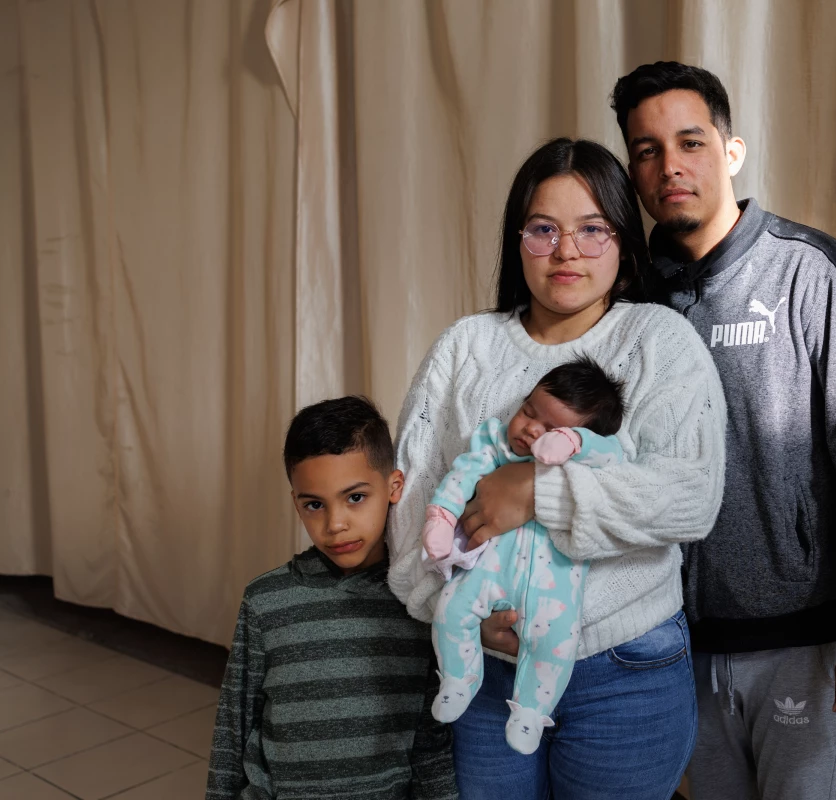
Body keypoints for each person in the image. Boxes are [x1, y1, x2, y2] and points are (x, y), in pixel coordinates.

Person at [386, 137, 726, 800]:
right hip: (487, 668)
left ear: (624, 243)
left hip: (623, 669)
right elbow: (411, 510)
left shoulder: (658, 341)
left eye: (592, 230)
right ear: (518, 241)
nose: (566, 251)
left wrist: (539, 491)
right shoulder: (466, 349)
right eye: (544, 229)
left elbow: (691, 498)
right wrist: (452, 611)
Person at [610, 62, 836, 800]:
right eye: (647, 150)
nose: (670, 166)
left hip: (800, 643)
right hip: (667, 646)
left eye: (690, 142)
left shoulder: (810, 272)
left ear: (732, 151)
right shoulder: (626, 298)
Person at [205, 396, 456, 800]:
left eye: (355, 497)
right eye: (314, 505)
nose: (335, 525)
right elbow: (233, 729)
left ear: (393, 487)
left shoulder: (419, 602)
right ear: (296, 503)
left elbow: (432, 741)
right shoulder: (266, 602)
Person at [423, 358, 626, 756]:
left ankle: (532, 711)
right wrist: (442, 515)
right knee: (450, 610)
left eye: (552, 428)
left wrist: (574, 444)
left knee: (554, 644)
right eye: (528, 411)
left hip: (555, 582)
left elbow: (612, 456)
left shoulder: (589, 454)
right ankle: (458, 680)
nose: (531, 428)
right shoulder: (495, 442)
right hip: (488, 566)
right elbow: (464, 474)